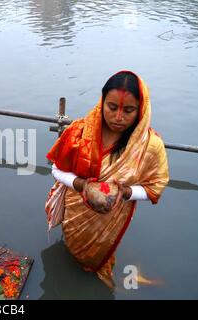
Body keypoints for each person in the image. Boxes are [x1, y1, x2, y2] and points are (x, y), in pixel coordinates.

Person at [45, 71, 169, 288]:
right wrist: (83, 185)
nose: (118, 117)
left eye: (128, 110)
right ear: (102, 103)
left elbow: (155, 187)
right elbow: (56, 169)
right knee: (74, 248)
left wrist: (126, 192)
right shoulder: (79, 132)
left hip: (114, 214)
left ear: (141, 110)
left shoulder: (150, 146)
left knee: (105, 253)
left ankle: (110, 276)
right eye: (112, 107)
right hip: (76, 211)